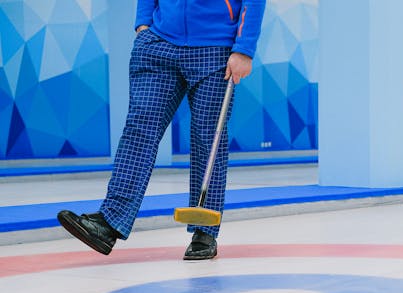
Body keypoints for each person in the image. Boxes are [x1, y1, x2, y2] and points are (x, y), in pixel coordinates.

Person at [57, 0, 267, 260]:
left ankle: (205, 231)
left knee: (207, 138)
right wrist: (142, 25)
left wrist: (244, 48)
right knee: (138, 130)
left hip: (215, 48)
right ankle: (109, 222)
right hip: (158, 43)